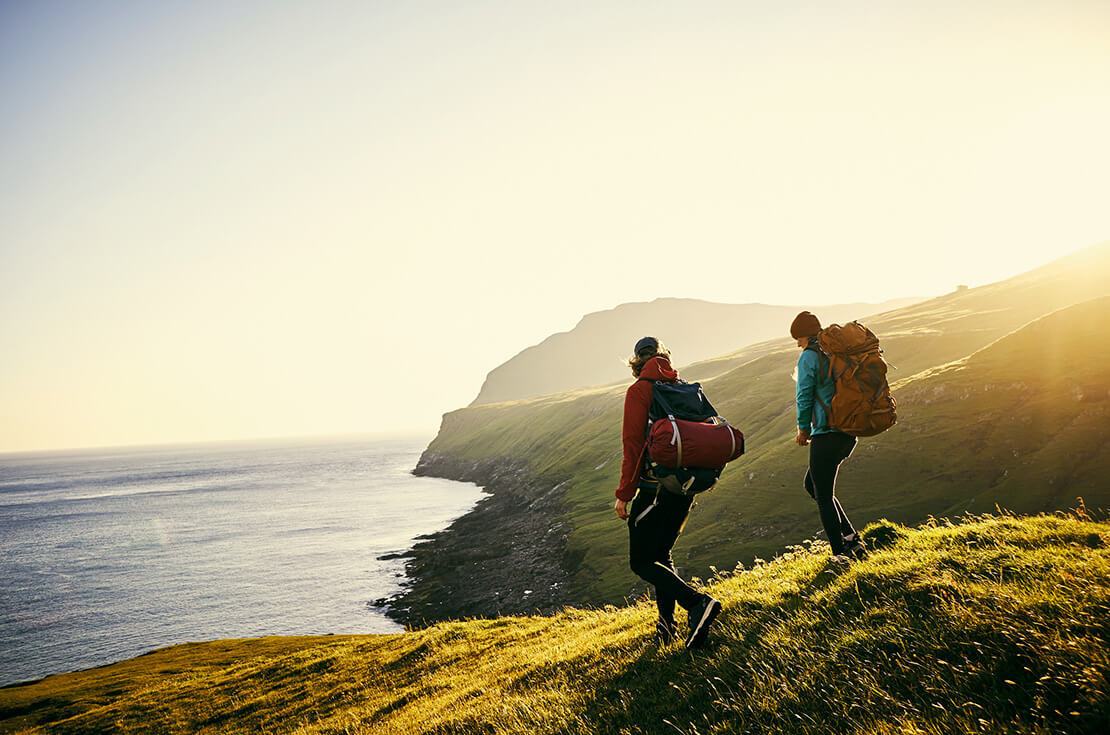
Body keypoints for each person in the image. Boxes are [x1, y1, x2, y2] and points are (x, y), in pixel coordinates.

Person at [613, 336, 721, 649]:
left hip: (654, 489)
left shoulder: (639, 391)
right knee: (661, 555)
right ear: (665, 358)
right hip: (685, 485)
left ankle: (697, 603)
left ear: (636, 362)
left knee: (641, 562)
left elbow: (633, 446)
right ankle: (666, 627)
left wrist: (624, 494)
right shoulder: (684, 386)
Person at [790, 311, 866, 562]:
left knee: (822, 493)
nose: (797, 344)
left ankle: (840, 553)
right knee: (813, 485)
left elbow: (804, 395)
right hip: (847, 432)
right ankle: (851, 538)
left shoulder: (809, 357)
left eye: (797, 339)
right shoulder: (833, 353)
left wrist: (803, 428)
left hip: (827, 434)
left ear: (803, 335)